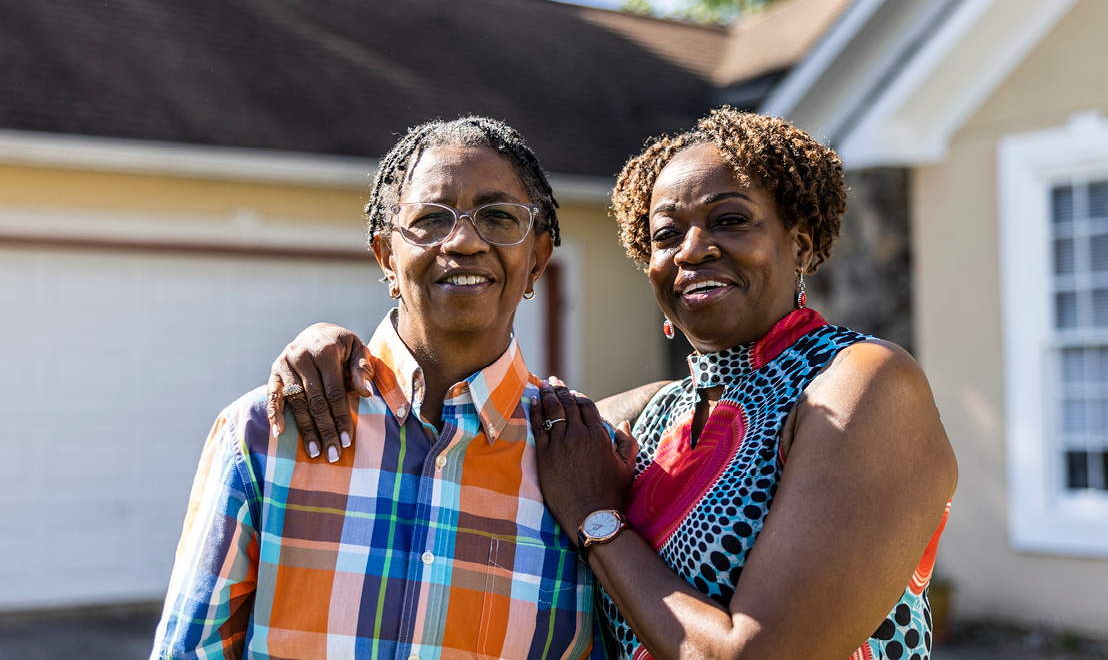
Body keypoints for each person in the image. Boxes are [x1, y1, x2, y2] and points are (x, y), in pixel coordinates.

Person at [271, 108, 957, 660]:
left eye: (729, 220)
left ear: (802, 243)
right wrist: (339, 354)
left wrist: (600, 524)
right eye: (667, 234)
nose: (694, 249)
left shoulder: (859, 385)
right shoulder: (646, 418)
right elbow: (483, 415)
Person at [151, 116, 620, 659]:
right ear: (386, 257)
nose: (465, 240)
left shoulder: (588, 464)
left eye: (496, 216)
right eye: (429, 219)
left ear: (537, 260)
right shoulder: (265, 434)